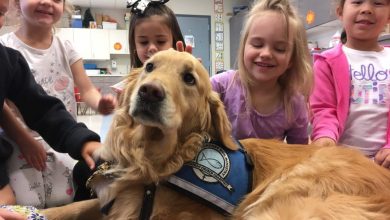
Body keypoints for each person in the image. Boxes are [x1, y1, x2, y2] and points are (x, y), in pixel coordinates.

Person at [0, 0, 116, 208]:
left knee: (62, 197)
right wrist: (23, 138)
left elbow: (76, 94)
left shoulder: (64, 48)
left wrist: (97, 109)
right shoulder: (6, 46)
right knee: (26, 202)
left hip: (61, 138)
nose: (46, 1)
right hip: (19, 141)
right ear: (16, 3)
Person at [73, 0, 191, 201]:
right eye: (144, 42)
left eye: (160, 41)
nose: (152, 48)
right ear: (134, 47)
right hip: (130, 155)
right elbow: (119, 133)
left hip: (164, 161)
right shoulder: (128, 85)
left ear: (175, 40)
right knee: (83, 170)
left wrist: (186, 74)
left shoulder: (188, 77)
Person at [211, 0, 312, 144]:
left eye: (279, 49)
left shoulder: (294, 104)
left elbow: (298, 155)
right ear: (244, 46)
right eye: (257, 44)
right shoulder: (220, 85)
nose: (265, 53)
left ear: (291, 60)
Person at [310, 0, 390, 167]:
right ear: (340, 12)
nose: (367, 9)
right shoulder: (326, 62)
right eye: (357, 2)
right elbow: (324, 110)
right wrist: (325, 139)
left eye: (378, 3)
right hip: (341, 161)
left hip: (385, 163)